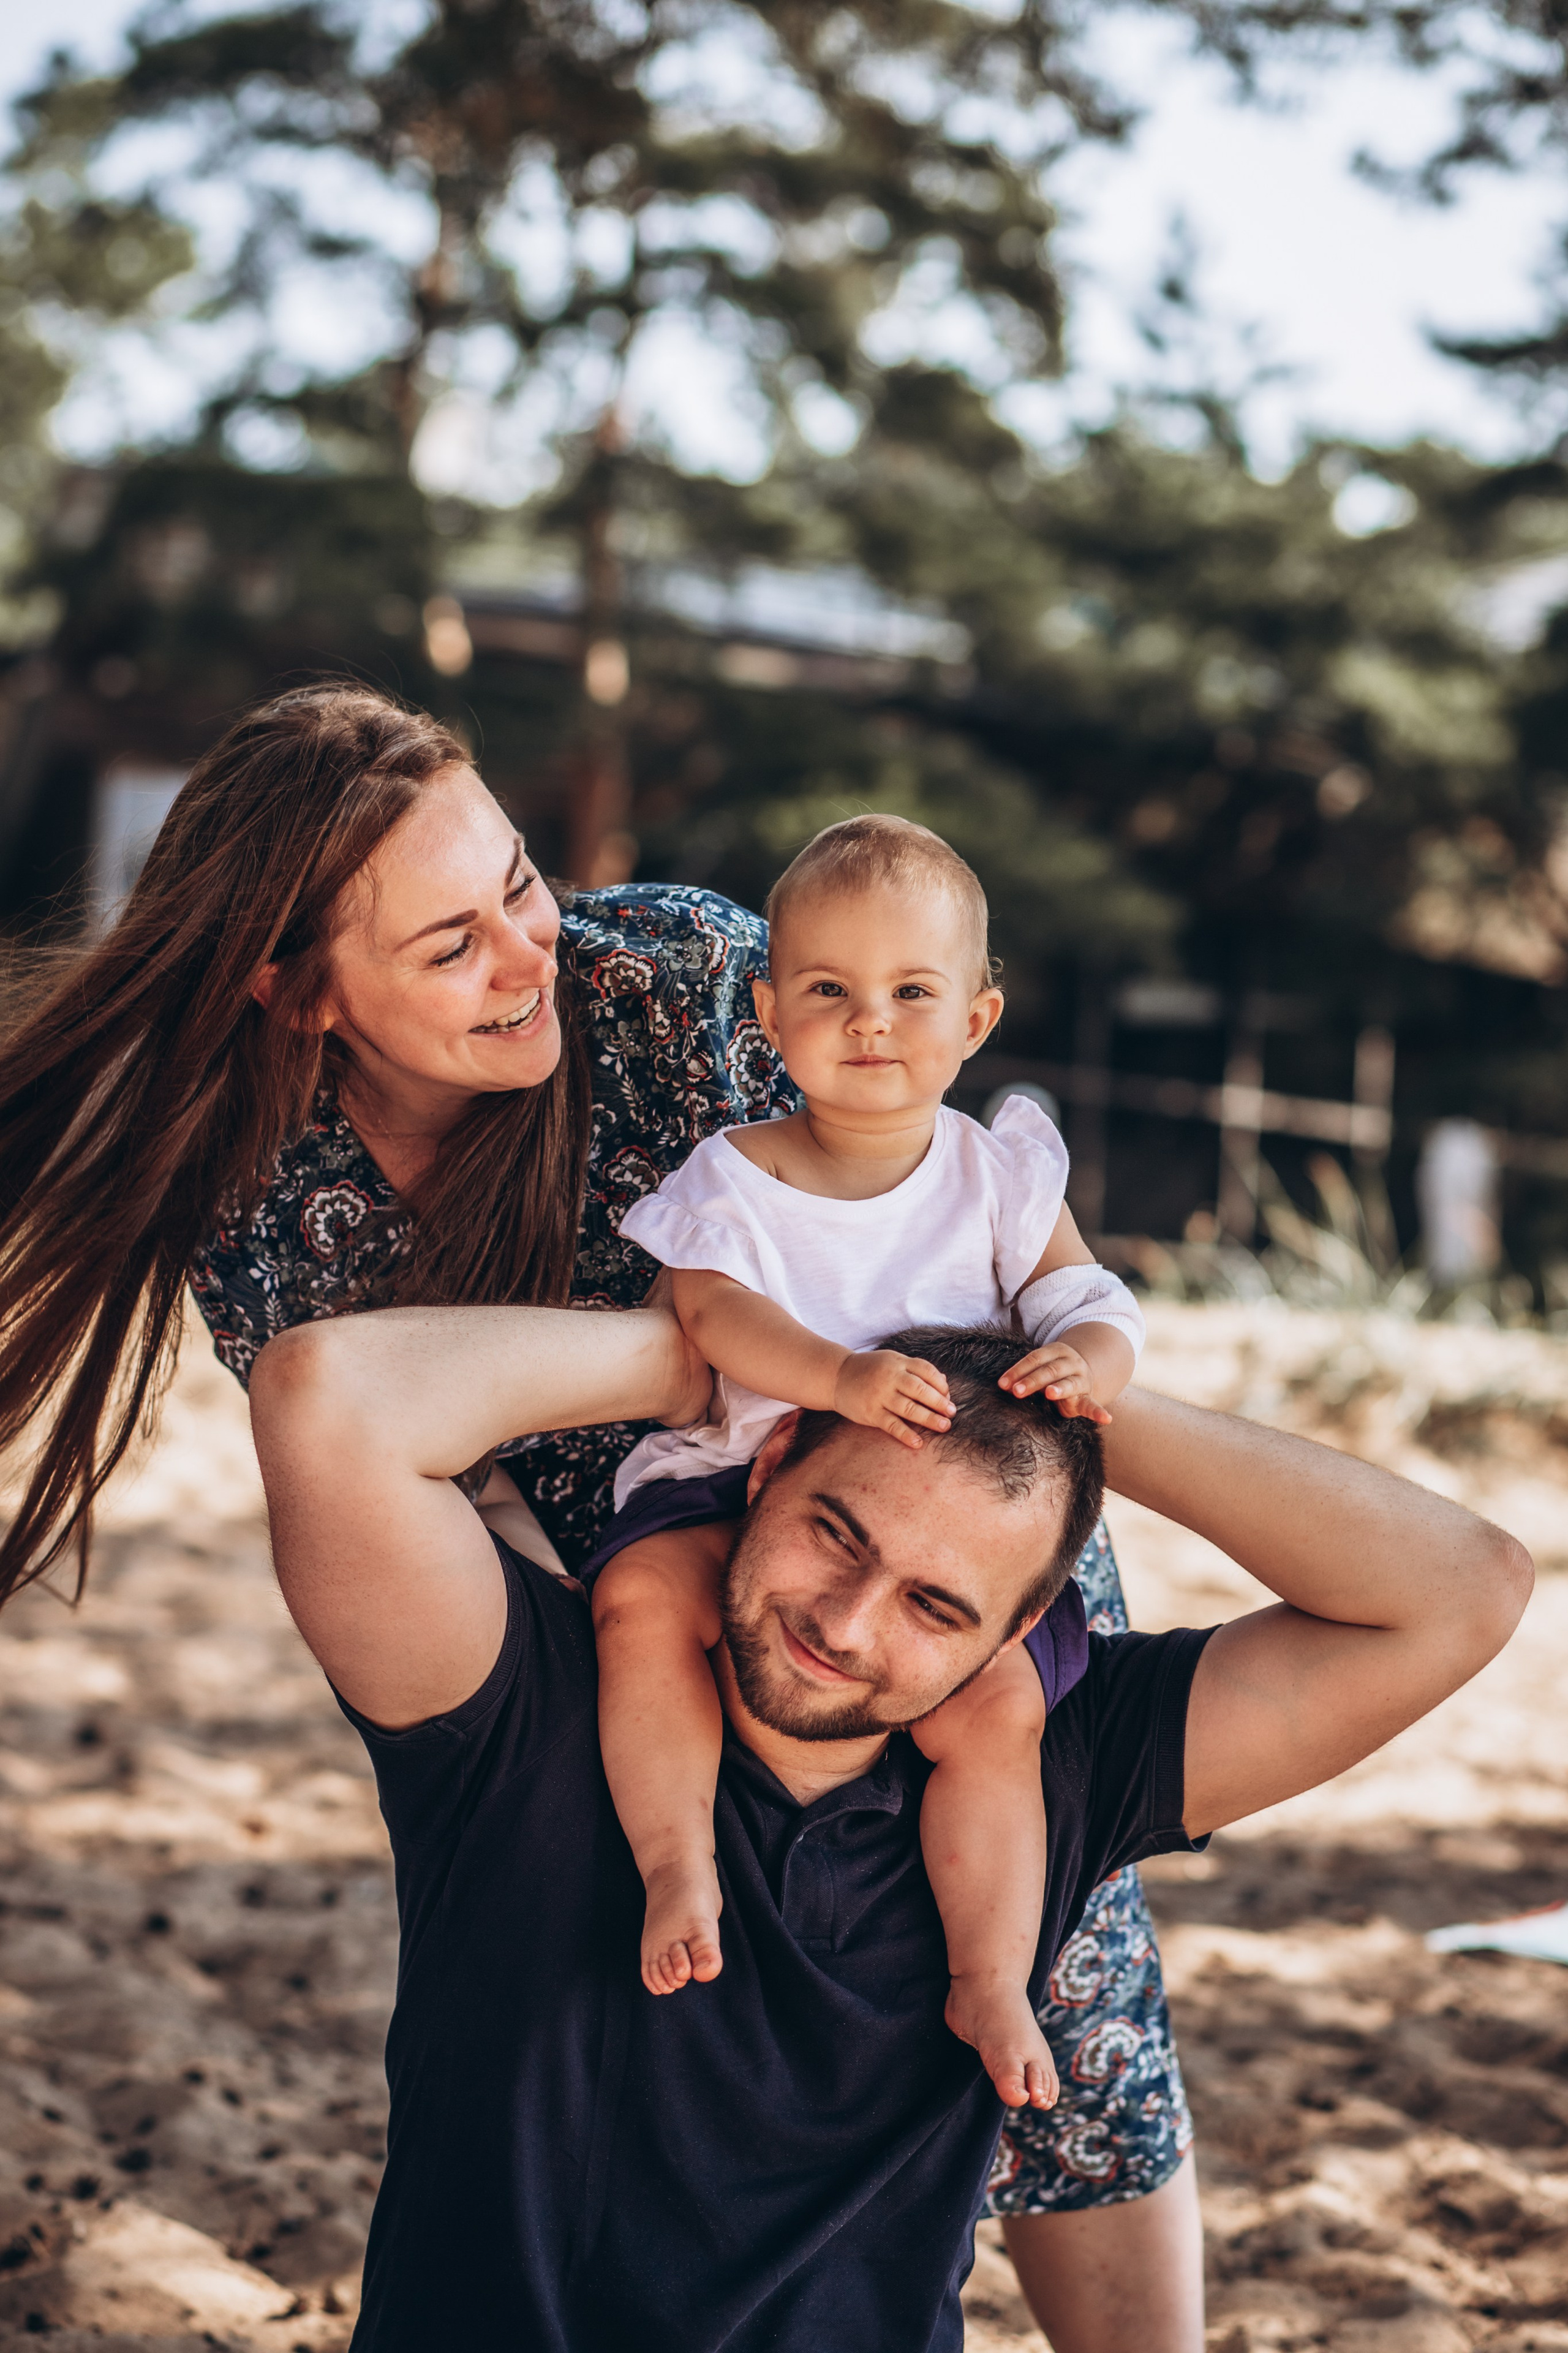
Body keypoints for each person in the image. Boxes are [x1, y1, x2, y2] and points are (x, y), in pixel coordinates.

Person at [0, 681, 1194, 2345]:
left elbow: (901, 1212)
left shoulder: (680, 977)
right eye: (449, 946)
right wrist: (687, 1359)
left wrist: (897, 1479)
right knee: (637, 1970)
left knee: (1059, 1952)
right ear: (296, 995)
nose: (525, 953)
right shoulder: (258, 1193)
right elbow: (402, 1500)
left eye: (517, 882)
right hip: (620, 1573)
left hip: (889, 1490)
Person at [246, 1293, 1531, 2353]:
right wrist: (736, 1344)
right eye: (832, 1529)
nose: (846, 1624)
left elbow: (1461, 1588)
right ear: (767, 1465)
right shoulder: (529, 1705)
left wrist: (1072, 1411)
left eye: (936, 1605)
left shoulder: (1046, 1777)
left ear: (1021, 1633)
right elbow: (322, 1393)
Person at [591, 814, 1146, 2122]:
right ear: (770, 1009)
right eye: (827, 990)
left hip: (942, 1521)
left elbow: (1092, 1294)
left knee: (996, 1713)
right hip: (735, 1473)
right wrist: (835, 1377)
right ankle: (677, 1863)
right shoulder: (733, 1174)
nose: (870, 1022)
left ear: (975, 1017)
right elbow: (710, 1319)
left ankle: (987, 1968)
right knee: (640, 1608)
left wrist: (1091, 1363)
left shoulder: (996, 1175)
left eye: (910, 993)